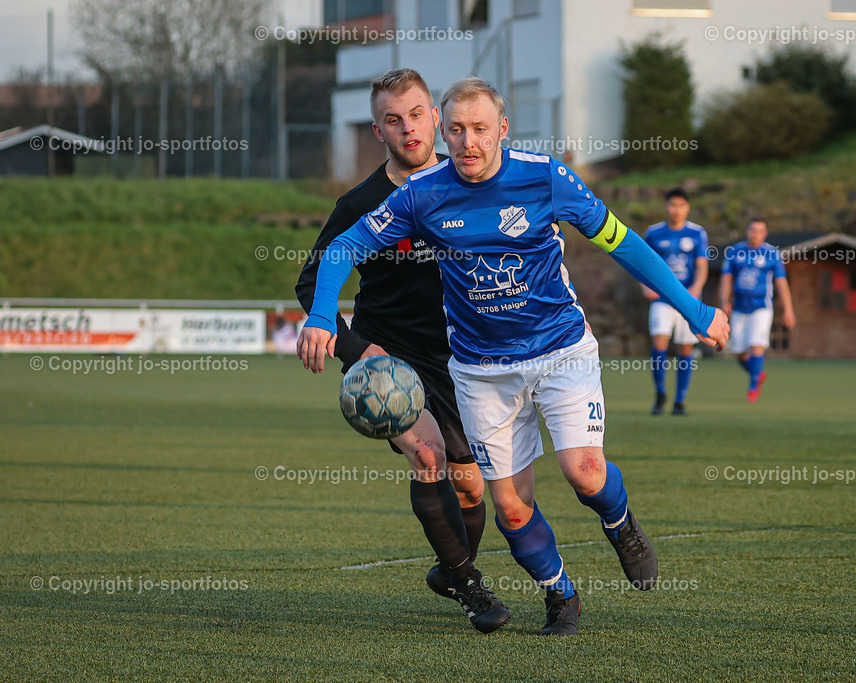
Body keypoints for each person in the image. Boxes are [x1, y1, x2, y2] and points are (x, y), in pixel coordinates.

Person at [298, 77, 730, 636]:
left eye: (480, 129)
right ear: (445, 133)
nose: (468, 142)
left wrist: (693, 309)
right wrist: (321, 315)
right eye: (458, 130)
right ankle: (560, 595)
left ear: (503, 128)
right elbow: (343, 248)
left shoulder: (545, 177)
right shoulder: (421, 194)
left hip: (559, 349)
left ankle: (620, 522)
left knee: (585, 473)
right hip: (480, 370)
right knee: (511, 508)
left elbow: (622, 241)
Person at [294, 69, 510, 633]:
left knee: (471, 483)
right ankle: (471, 588)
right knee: (429, 457)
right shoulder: (359, 203)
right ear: (378, 131)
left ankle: (452, 567)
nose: (408, 129)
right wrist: (354, 346)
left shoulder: (470, 183)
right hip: (387, 360)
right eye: (393, 120)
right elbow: (311, 281)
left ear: (435, 118)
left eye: (416, 115)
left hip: (459, 357)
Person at [642, 188, 708, 416]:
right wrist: (644, 286)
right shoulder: (654, 232)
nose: (676, 210)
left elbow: (702, 265)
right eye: (672, 205)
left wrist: (696, 288)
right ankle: (660, 394)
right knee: (659, 341)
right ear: (666, 206)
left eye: (681, 205)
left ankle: (680, 401)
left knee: (685, 347)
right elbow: (643, 262)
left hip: (687, 300)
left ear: (687, 208)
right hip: (662, 298)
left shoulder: (697, 233)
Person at [718, 218, 796, 402]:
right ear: (747, 231)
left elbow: (781, 283)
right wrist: (724, 302)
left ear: (765, 233)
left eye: (759, 231)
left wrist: (788, 310)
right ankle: (757, 375)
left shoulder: (772, 254)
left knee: (756, 345)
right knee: (738, 352)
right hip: (739, 307)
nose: (755, 234)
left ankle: (753, 388)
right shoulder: (734, 252)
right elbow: (726, 279)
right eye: (752, 230)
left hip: (762, 307)